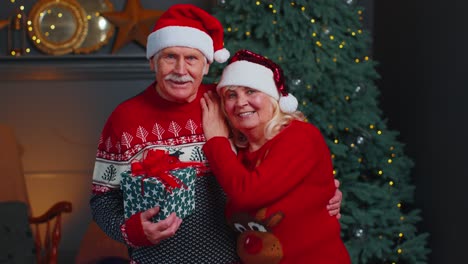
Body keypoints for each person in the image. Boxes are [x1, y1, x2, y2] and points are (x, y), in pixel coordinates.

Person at [90, 4, 342, 263]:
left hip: (235, 257)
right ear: (153, 61)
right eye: (169, 57)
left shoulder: (228, 103)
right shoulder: (125, 118)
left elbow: (271, 163)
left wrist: (320, 192)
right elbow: (102, 200)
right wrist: (133, 231)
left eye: (191, 58)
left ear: (207, 64)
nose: (180, 69)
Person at [200, 49, 351, 263]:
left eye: (251, 91)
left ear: (273, 98)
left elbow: (247, 194)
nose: (241, 102)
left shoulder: (299, 136)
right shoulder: (239, 155)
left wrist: (215, 141)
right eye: (231, 95)